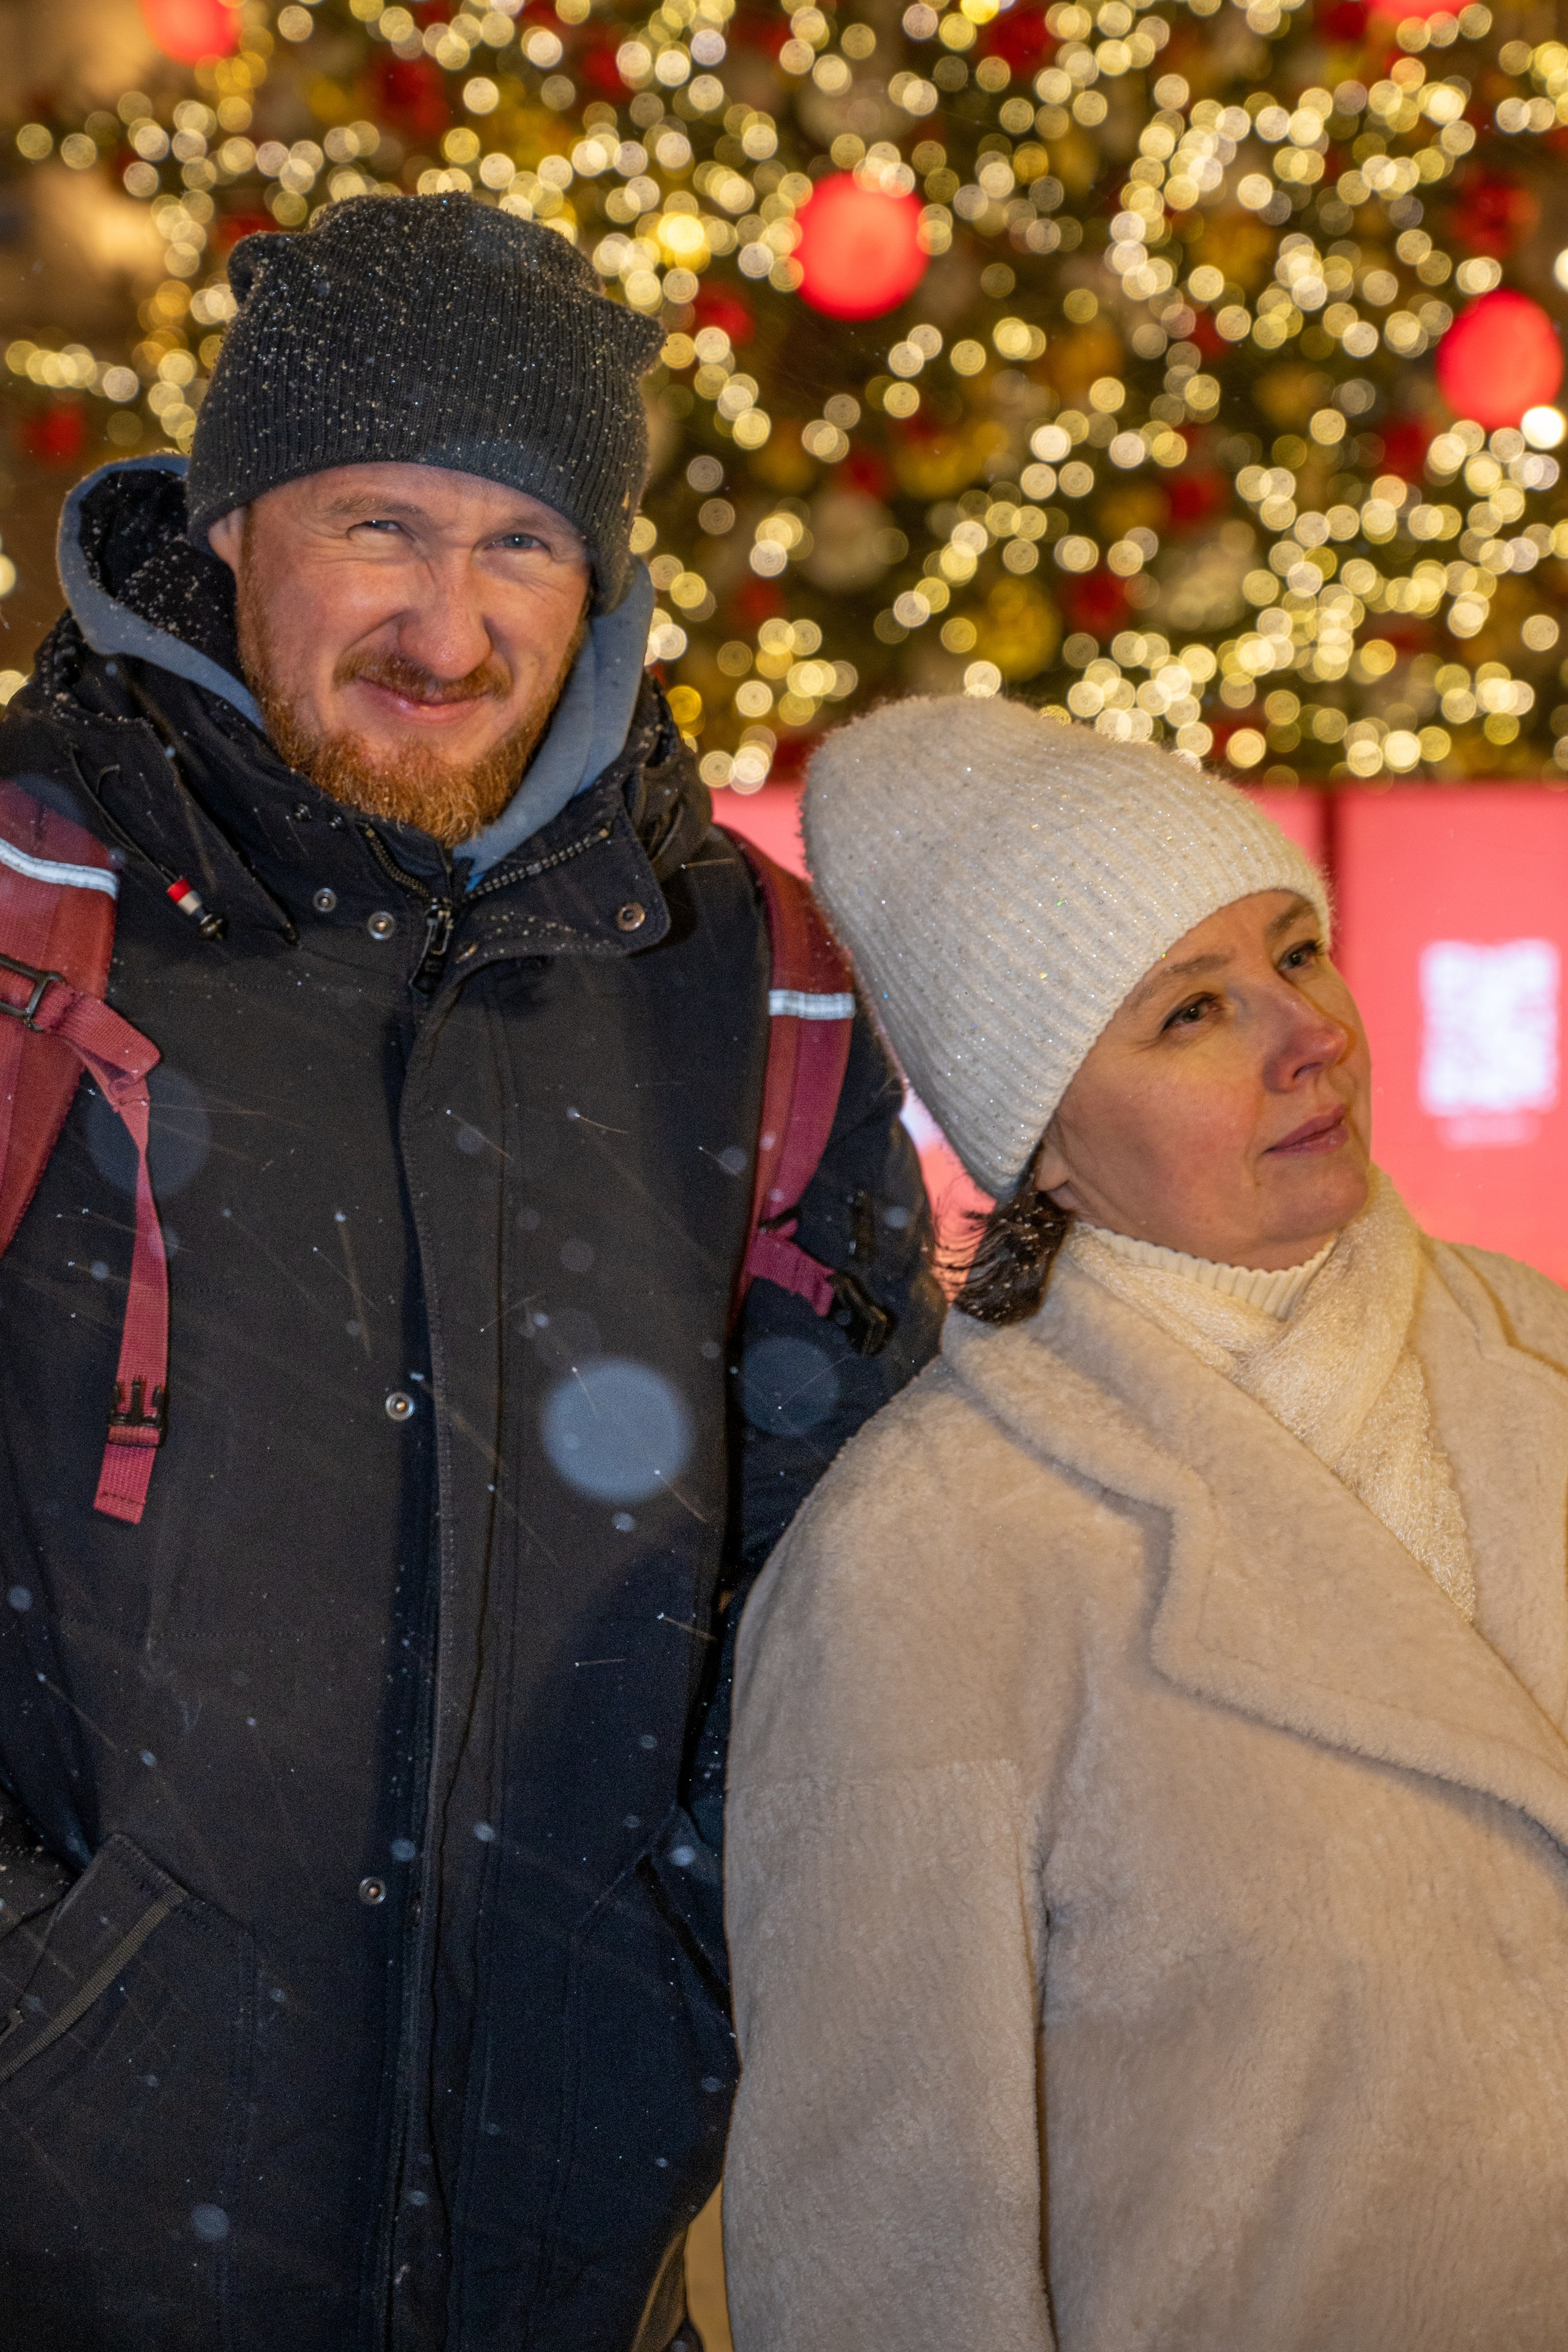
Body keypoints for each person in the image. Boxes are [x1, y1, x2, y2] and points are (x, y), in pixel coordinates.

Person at [0, 195, 940, 2352]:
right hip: (82, 2233)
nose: (448, 621)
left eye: (522, 544)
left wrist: (675, 1965)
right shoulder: (31, 897)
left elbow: (860, 1578)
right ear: (232, 528)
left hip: (578, 2241)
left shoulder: (742, 979)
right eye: (380, 524)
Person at [722, 693, 1568, 2352]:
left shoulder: (1541, 1355)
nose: (1306, 1033)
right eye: (1191, 1013)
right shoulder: (931, 1563)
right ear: (1045, 1143)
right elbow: (884, 2246)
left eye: (1297, 954)